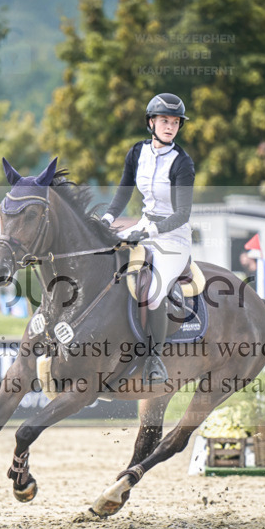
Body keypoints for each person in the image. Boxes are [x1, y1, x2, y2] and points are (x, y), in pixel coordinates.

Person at [100, 92, 195, 384]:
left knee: (154, 295)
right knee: (105, 265)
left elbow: (182, 213)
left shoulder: (182, 162)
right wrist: (107, 218)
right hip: (142, 226)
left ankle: (155, 360)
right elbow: (124, 192)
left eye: (175, 122)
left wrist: (151, 231)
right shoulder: (136, 152)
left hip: (173, 237)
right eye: (164, 120)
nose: (170, 126)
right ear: (151, 122)